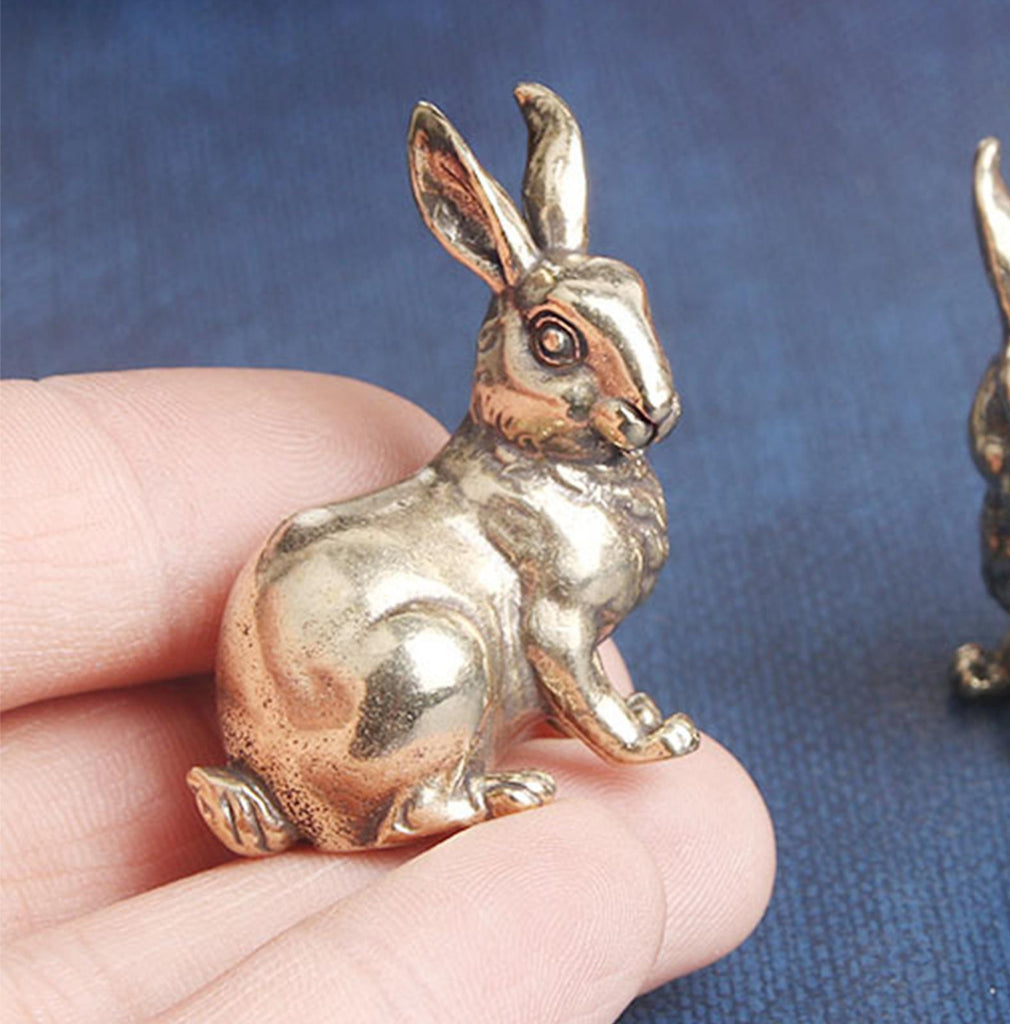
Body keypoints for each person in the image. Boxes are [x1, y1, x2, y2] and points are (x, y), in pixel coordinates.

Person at [0, 368, 775, 1022]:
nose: (644, 394)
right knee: (431, 652)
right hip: (358, 712)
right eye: (560, 348)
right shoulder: (522, 501)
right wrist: (620, 736)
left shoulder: (523, 489)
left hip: (311, 704)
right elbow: (554, 635)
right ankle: (420, 796)